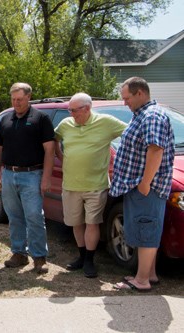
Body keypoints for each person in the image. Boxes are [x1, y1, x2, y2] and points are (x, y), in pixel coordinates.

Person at [112, 77, 174, 291]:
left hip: (147, 188)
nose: (125, 102)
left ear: (140, 94)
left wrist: (145, 183)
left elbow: (156, 149)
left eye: (127, 98)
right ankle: (150, 274)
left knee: (146, 231)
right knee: (145, 230)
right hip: (138, 186)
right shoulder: (142, 115)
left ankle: (141, 280)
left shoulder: (152, 116)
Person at [54, 93, 127, 278]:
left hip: (96, 185)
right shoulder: (66, 125)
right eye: (69, 110)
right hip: (70, 184)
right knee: (76, 223)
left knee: (92, 223)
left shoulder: (106, 123)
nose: (71, 114)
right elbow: (53, 140)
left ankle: (89, 261)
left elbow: (131, 134)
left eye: (74, 110)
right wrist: (61, 157)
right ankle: (81, 255)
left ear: (87, 108)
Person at [0, 82, 55, 274]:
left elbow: (50, 150)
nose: (16, 103)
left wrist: (46, 178)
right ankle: (19, 253)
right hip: (9, 174)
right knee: (14, 216)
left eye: (19, 99)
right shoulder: (6, 120)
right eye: (13, 99)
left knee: (34, 216)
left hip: (32, 174)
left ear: (29, 97)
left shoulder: (40, 118)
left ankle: (39, 257)